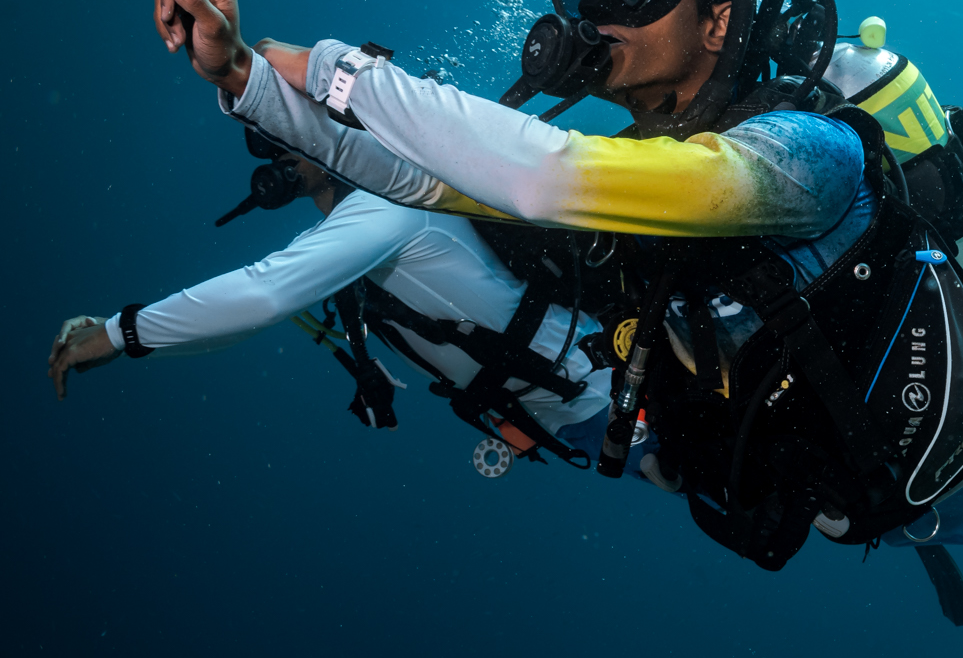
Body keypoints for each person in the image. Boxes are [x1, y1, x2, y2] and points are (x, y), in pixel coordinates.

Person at [151, 0, 963, 616]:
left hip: (949, 454)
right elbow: (431, 185)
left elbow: (549, 180)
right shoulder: (633, 173)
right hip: (844, 491)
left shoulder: (803, 155)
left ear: (718, 17)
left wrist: (330, 68)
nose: (593, 13)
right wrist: (244, 72)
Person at [46, 138, 645, 481]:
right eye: (264, 135)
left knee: (717, 481)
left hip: (607, 391)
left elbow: (262, 295)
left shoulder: (389, 206)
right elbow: (254, 315)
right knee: (701, 491)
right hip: (564, 416)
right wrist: (128, 337)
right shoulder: (344, 245)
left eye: (286, 128)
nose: (273, 149)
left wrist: (119, 334)